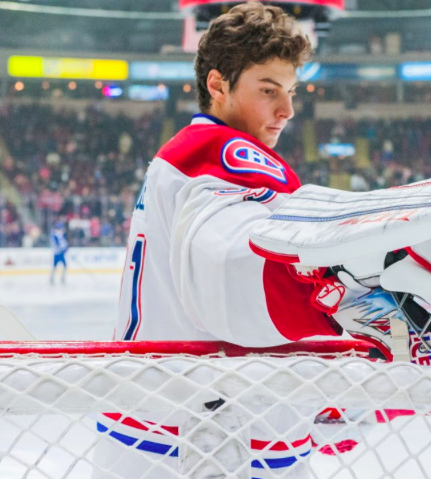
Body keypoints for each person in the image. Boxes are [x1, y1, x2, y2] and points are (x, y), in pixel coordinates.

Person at [102, 4, 337, 478]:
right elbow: (239, 274)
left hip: (157, 425)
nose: (288, 110)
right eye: (268, 91)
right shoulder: (221, 152)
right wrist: (359, 301)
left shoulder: (183, 154)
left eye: (290, 92)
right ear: (218, 85)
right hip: (210, 439)